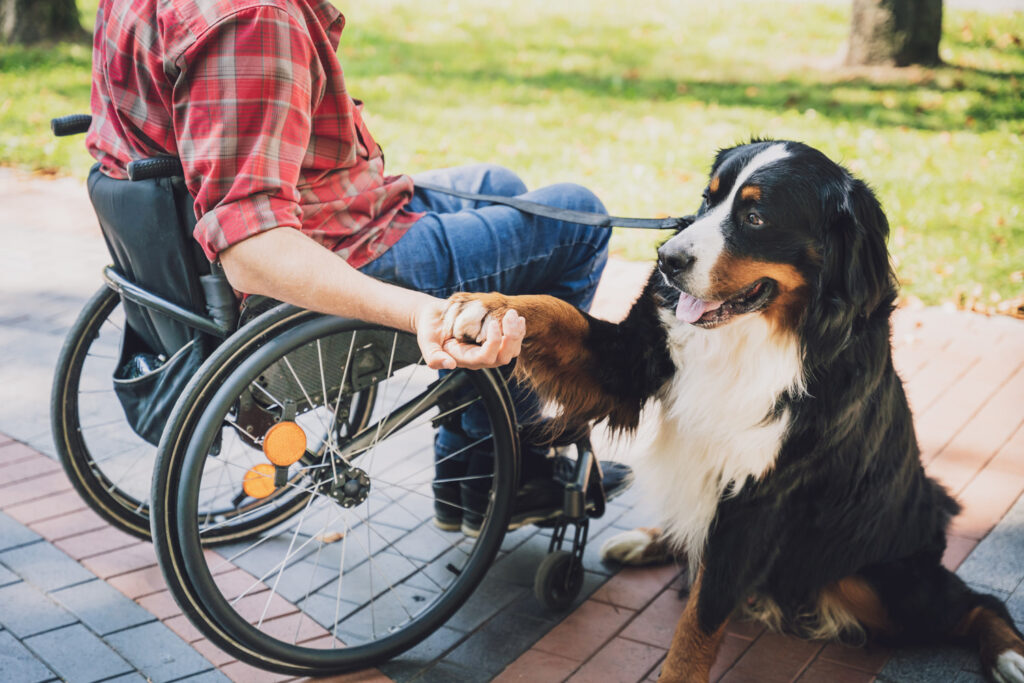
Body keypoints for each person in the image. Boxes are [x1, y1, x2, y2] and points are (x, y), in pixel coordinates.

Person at [87, 0, 626, 535]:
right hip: (323, 261)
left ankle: (476, 463)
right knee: (576, 218)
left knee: (501, 188)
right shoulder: (254, 20)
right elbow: (252, 248)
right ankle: (504, 477)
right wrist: (421, 314)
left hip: (313, 211)